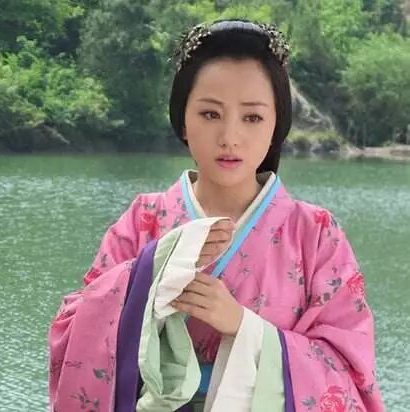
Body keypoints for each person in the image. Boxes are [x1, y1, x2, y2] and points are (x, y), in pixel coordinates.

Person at [48, 19, 385, 411]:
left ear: (277, 126)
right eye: (210, 114)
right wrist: (151, 277)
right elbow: (75, 329)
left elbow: (348, 367)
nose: (229, 137)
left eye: (252, 117)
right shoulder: (143, 219)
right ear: (183, 120)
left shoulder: (316, 234)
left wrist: (243, 327)